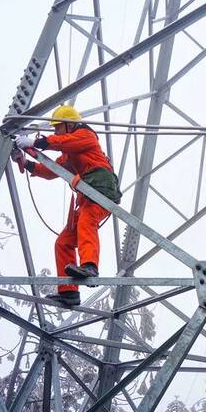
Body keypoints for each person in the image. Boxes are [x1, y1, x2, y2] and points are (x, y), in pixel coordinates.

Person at [11, 105, 121, 306]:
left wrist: (36, 142)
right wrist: (26, 162)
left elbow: (64, 142)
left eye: (58, 127)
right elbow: (52, 170)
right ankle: (69, 293)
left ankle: (90, 267)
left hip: (102, 187)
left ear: (69, 125)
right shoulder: (71, 152)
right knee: (63, 242)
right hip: (88, 194)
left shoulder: (86, 136)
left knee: (87, 222)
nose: (55, 131)